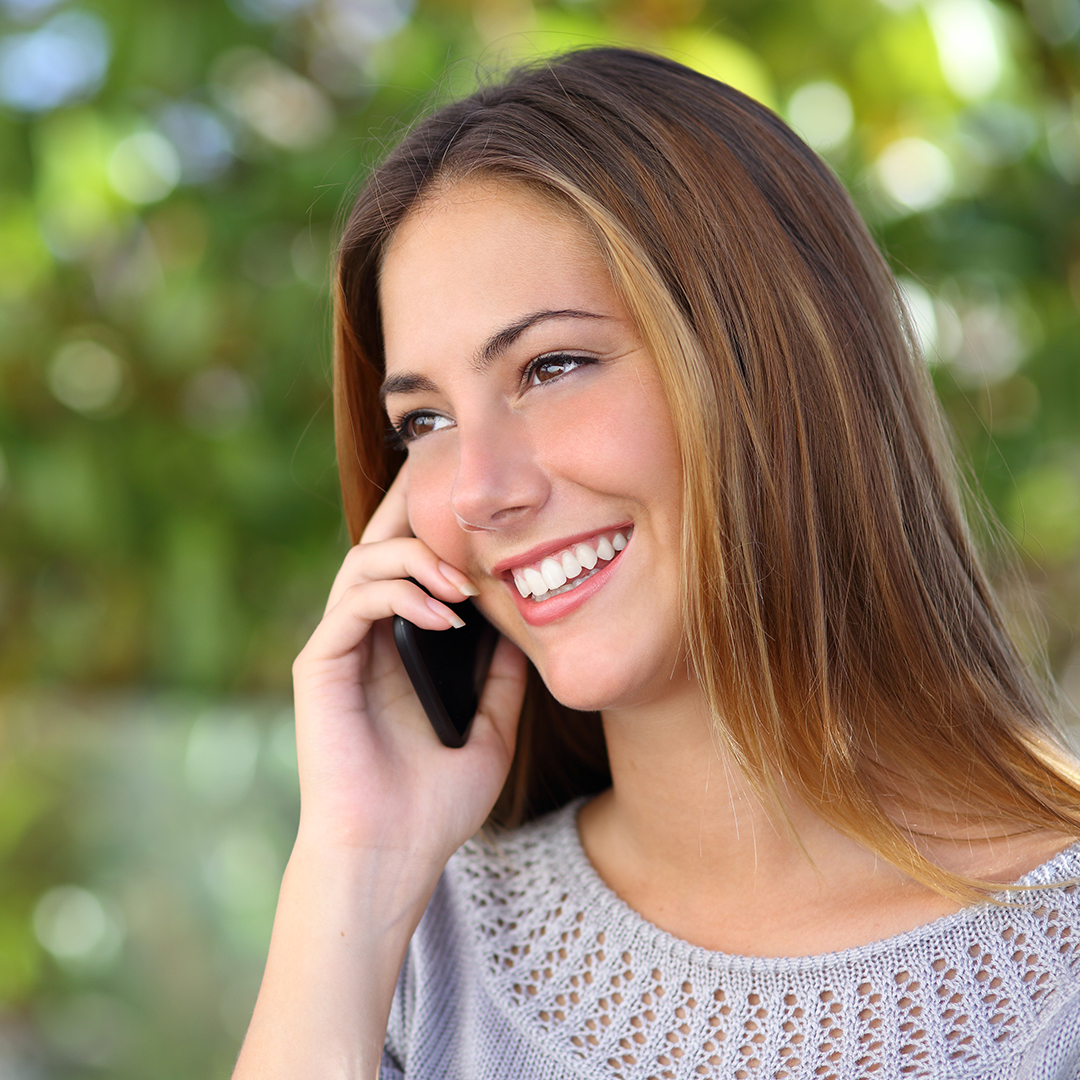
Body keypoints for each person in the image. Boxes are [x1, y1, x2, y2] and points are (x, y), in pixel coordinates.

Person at [233, 47, 1080, 1080]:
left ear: (777, 360)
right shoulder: (403, 954)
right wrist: (355, 872)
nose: (476, 490)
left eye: (551, 366)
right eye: (425, 420)